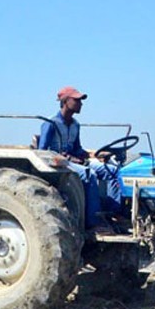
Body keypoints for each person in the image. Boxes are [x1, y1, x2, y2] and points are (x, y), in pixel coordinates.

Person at [37, 86, 121, 229]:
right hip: (58, 163)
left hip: (74, 160)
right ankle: (93, 222)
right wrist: (67, 159)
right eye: (77, 100)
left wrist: (97, 154)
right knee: (89, 174)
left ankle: (114, 213)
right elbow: (42, 151)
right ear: (65, 101)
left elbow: (78, 149)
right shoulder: (51, 124)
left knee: (113, 170)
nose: (80, 104)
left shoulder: (76, 125)